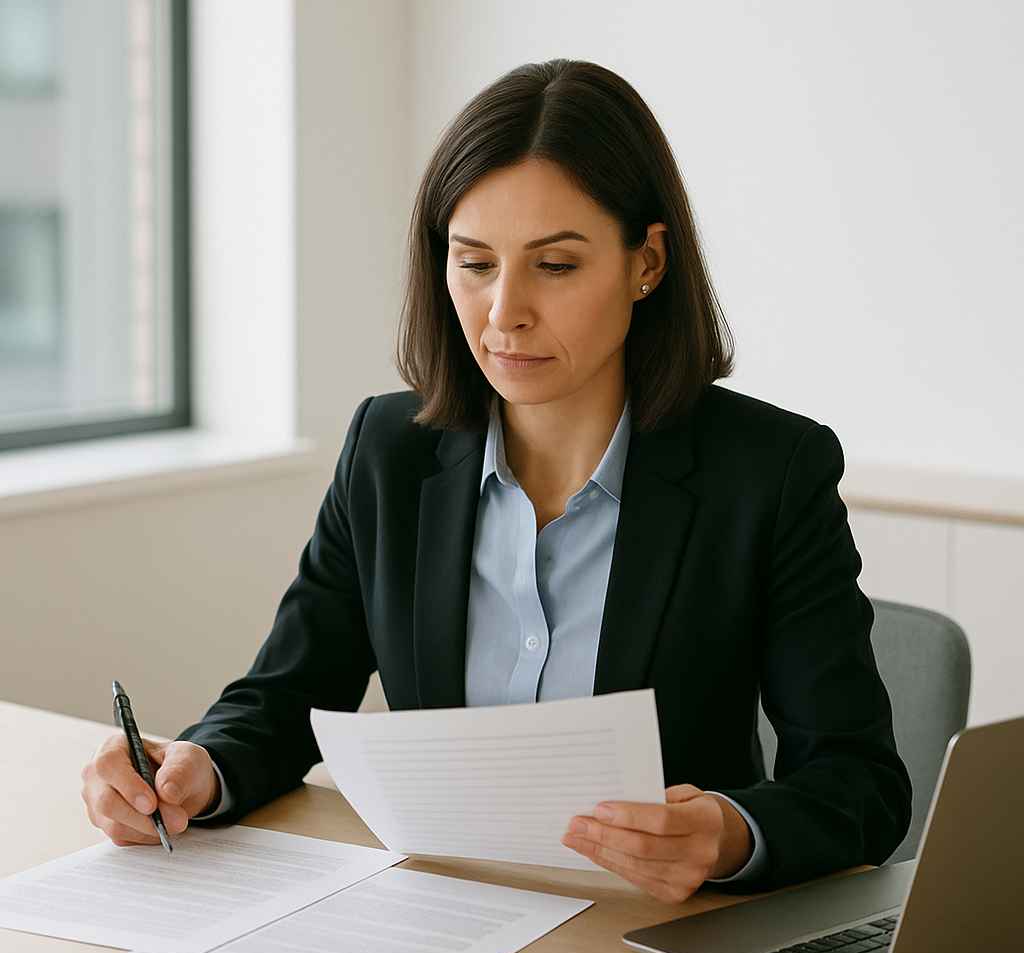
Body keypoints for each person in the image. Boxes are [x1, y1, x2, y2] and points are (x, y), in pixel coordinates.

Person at [80, 58, 911, 903]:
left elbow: (861, 785)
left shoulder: (769, 472)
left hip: (650, 939)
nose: (503, 311)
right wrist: (195, 767)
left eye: (554, 267)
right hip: (440, 917)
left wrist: (731, 835)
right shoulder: (388, 450)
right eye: (474, 263)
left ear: (646, 263)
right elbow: (286, 694)